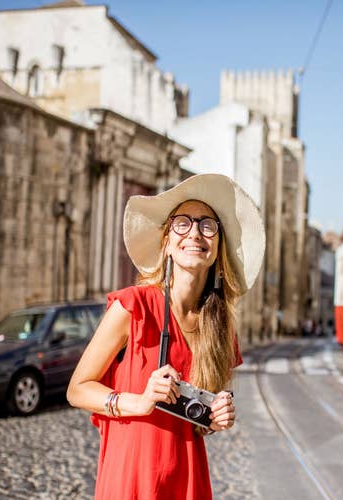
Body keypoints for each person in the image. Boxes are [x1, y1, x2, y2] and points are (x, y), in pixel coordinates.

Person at [67, 173, 265, 499]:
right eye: (182, 223)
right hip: (130, 477)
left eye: (207, 225)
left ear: (218, 245)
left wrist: (216, 417)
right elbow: (77, 390)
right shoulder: (135, 306)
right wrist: (141, 402)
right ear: (167, 242)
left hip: (187, 481)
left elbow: (198, 418)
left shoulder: (220, 327)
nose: (195, 233)